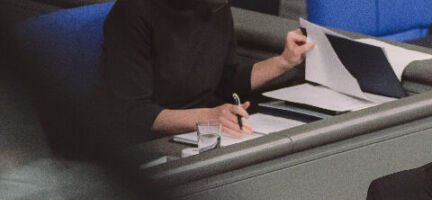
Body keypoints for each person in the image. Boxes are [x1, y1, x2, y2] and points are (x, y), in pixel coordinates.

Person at [100, 0, 313, 143]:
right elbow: (133, 113)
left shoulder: (216, 6)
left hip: (205, 131)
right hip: (151, 140)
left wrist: (284, 61)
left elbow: (226, 81)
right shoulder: (132, 13)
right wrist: (210, 116)